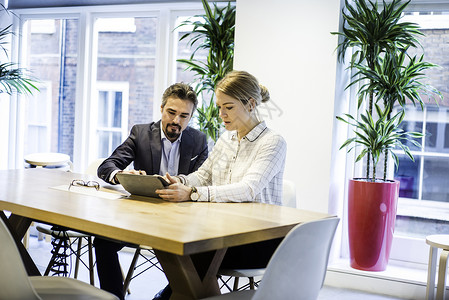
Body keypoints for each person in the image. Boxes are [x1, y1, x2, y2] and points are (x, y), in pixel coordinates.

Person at [155, 70, 287, 298]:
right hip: (221, 232)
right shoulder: (227, 139)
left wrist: (193, 193)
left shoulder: (272, 142)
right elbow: (203, 176)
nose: (221, 114)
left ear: (251, 104)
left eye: (229, 107)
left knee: (192, 253)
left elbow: (248, 189)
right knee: (173, 245)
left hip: (258, 239)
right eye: (219, 107)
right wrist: (180, 181)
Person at [94, 82, 208, 300]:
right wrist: (122, 175)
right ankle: (114, 297)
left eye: (184, 116)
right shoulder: (141, 133)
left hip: (181, 221)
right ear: (162, 109)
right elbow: (107, 166)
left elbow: (203, 182)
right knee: (103, 240)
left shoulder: (199, 140)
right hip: (141, 219)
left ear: (191, 117)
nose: (176, 121)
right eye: (171, 113)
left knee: (201, 254)